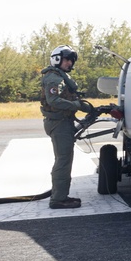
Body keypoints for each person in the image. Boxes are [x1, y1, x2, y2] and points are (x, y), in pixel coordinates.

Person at [40, 45, 91, 209]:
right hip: (59, 123)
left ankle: (59, 195)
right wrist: (77, 105)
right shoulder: (54, 79)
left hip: (62, 122)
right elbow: (53, 101)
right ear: (57, 59)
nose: (70, 63)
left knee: (64, 159)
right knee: (63, 161)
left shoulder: (58, 77)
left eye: (71, 60)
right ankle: (58, 199)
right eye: (67, 59)